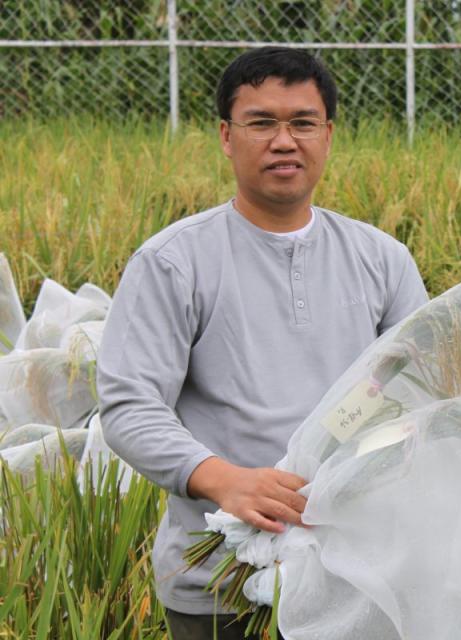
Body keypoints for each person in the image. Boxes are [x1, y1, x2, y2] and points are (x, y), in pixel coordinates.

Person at [97, 47, 429, 639]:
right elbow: (129, 405)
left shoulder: (382, 259)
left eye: (302, 123)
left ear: (327, 135)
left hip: (355, 576)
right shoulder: (175, 261)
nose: (284, 141)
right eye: (261, 123)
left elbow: (421, 389)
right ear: (227, 136)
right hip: (221, 579)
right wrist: (224, 478)